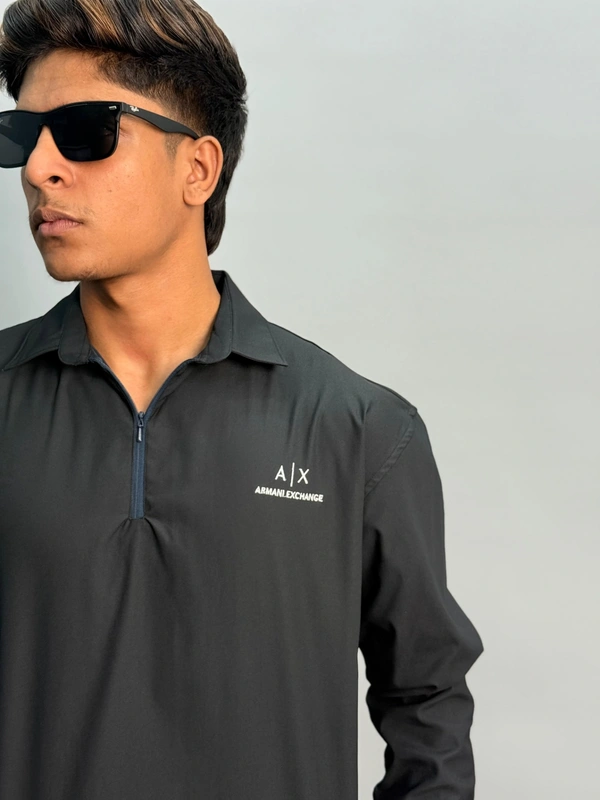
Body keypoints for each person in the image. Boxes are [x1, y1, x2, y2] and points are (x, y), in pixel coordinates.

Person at [0, 1, 484, 798]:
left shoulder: (359, 430)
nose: (38, 169)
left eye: (86, 132)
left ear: (198, 168)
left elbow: (427, 699)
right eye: (23, 136)